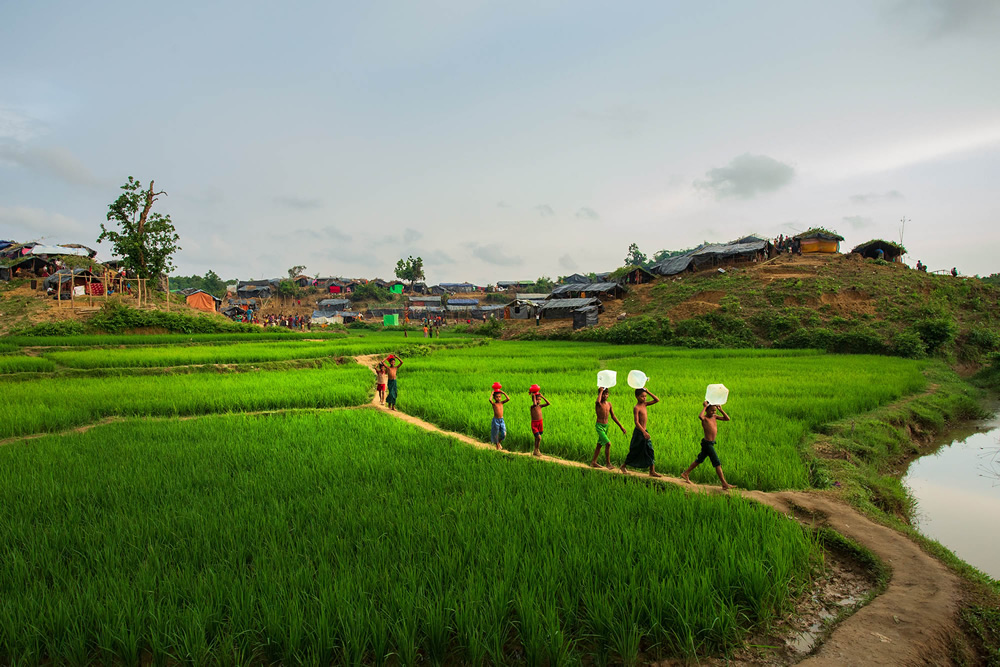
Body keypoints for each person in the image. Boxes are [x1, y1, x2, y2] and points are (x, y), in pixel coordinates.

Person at [681, 401, 733, 490]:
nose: (713, 412)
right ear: (707, 410)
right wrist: (705, 406)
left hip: (710, 443)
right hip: (707, 444)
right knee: (717, 463)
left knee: (700, 459)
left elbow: (727, 418)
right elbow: (700, 416)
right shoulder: (705, 418)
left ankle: (685, 473)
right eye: (711, 410)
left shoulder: (715, 417)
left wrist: (721, 410)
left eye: (714, 411)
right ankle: (724, 483)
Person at [620, 388, 661, 477]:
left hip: (644, 431)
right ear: (637, 397)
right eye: (642, 396)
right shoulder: (637, 408)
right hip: (639, 432)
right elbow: (636, 422)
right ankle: (623, 466)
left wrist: (648, 391)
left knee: (650, 450)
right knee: (635, 450)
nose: (644, 398)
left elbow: (657, 400)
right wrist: (643, 432)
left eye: (645, 396)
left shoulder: (645, 404)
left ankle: (652, 471)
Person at [592, 387, 626, 469]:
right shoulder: (598, 404)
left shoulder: (609, 404)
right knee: (608, 443)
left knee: (599, 445)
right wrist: (600, 391)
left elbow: (613, 416)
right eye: (603, 394)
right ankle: (608, 464)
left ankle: (593, 462)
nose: (605, 395)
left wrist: (621, 426)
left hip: (606, 426)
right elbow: (597, 401)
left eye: (606, 394)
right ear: (600, 394)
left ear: (608, 395)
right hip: (599, 426)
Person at [528, 385, 550, 457]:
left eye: (539, 400)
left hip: (540, 422)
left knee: (537, 438)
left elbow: (548, 403)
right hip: (534, 424)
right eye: (537, 399)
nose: (539, 401)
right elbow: (534, 403)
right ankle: (536, 450)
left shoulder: (540, 406)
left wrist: (542, 396)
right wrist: (534, 395)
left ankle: (536, 450)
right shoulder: (533, 407)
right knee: (539, 438)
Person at [489, 382, 510, 450]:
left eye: (499, 397)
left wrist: (503, 393)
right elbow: (490, 400)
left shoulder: (502, 403)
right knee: (496, 433)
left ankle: (498, 443)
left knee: (504, 434)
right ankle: (497, 444)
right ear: (495, 398)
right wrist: (492, 394)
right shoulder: (494, 404)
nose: (498, 398)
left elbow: (508, 399)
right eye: (497, 397)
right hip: (496, 420)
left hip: (501, 420)